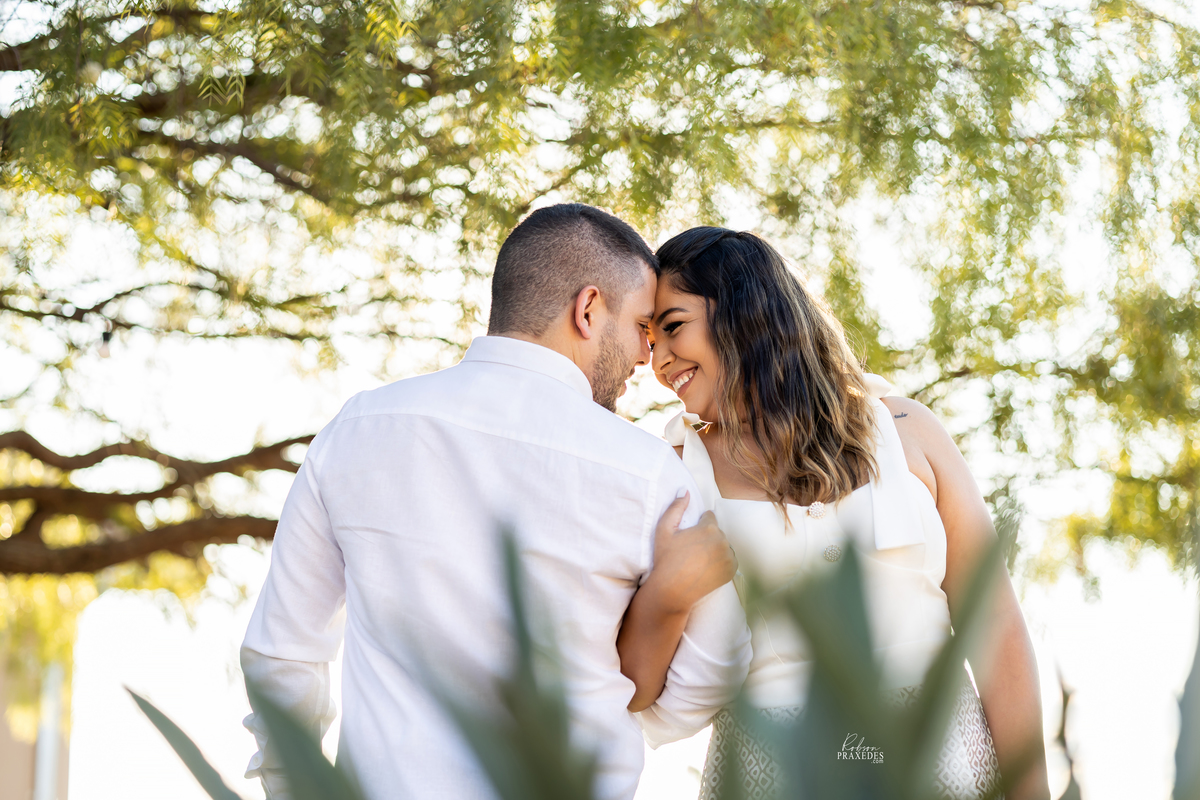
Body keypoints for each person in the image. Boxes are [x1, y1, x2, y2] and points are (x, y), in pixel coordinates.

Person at [239, 204, 752, 800]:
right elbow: (717, 664)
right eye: (641, 327)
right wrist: (612, 717)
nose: (646, 356)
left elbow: (284, 651)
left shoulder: (359, 428)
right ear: (588, 310)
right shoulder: (647, 472)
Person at [618, 227, 1050, 800]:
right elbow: (636, 679)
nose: (660, 360)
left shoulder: (908, 431)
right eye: (649, 341)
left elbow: (996, 631)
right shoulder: (671, 472)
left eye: (672, 327)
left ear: (746, 311)